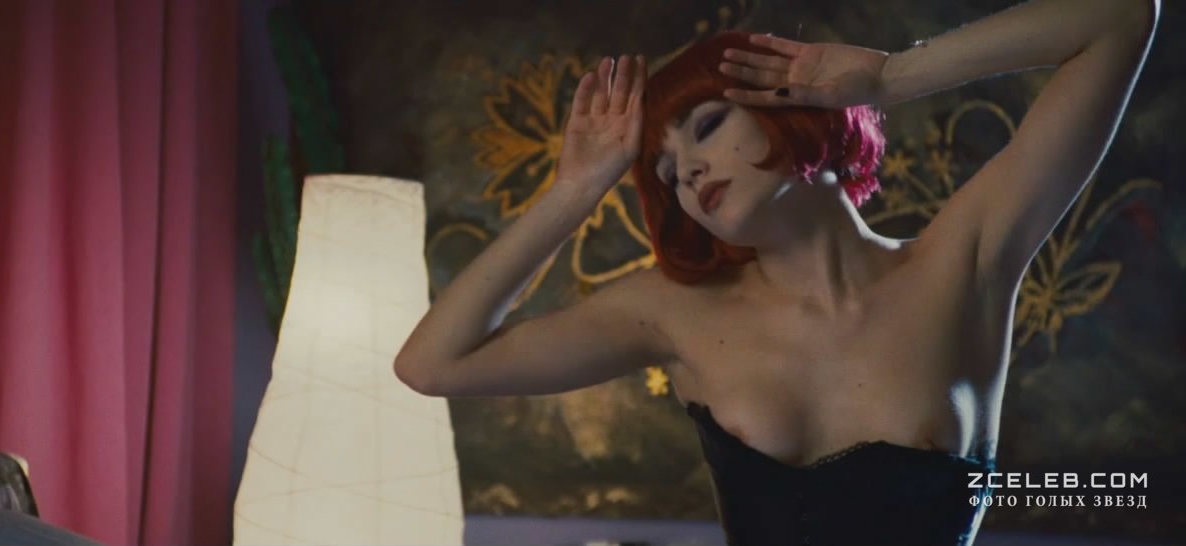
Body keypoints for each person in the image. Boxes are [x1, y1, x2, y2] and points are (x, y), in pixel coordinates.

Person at [394, 0, 1158, 544]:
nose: (689, 171)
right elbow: (431, 364)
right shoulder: (675, 313)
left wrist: (892, 77)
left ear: (792, 107)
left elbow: (1120, 19)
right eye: (667, 172)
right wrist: (574, 191)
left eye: (706, 126)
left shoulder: (964, 262)